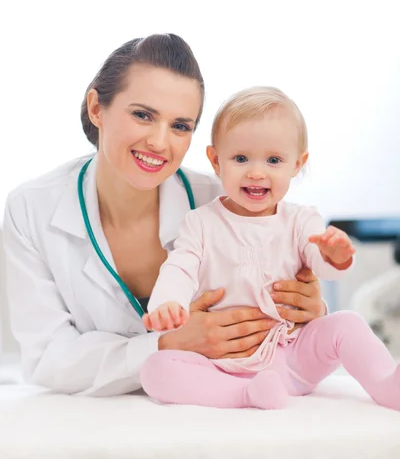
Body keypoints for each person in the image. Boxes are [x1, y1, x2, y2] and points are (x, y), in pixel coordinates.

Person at [3, 35, 325, 397]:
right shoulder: (31, 208)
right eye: (142, 115)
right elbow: (48, 359)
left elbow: (288, 287)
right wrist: (165, 344)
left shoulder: (229, 199)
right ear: (96, 108)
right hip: (97, 424)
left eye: (180, 126)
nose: (159, 142)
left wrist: (306, 307)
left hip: (219, 412)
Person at [141, 86, 400, 411]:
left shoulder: (301, 219)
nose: (256, 172)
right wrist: (168, 304)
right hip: (224, 363)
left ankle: (386, 383)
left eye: (274, 160)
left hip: (292, 355)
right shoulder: (200, 223)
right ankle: (246, 396)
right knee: (155, 370)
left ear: (297, 163)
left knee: (347, 322)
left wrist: (335, 256)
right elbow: (179, 268)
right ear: (216, 160)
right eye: (240, 158)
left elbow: (319, 262)